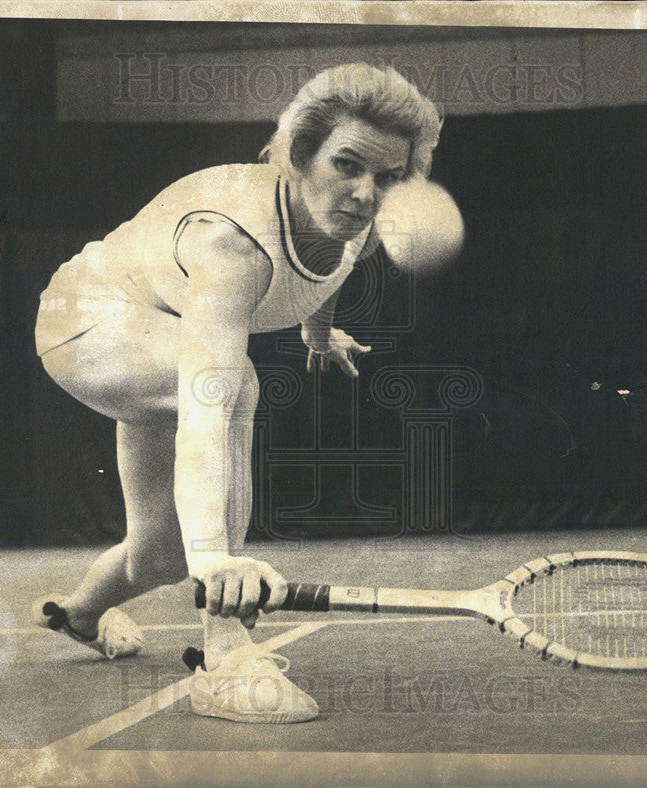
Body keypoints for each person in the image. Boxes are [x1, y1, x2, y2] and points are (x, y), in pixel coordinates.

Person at [32, 63, 442, 723]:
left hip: (158, 332)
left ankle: (78, 613)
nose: (367, 193)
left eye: (389, 177)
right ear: (298, 156)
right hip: (86, 322)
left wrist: (318, 334)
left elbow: (326, 272)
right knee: (234, 387)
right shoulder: (232, 242)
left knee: (163, 555)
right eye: (348, 166)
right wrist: (220, 562)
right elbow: (206, 409)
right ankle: (226, 653)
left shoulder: (357, 221)